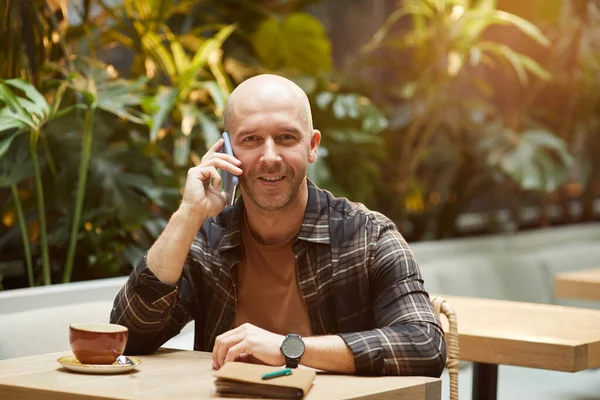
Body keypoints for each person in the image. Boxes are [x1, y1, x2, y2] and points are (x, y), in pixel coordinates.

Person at [110, 74, 446, 377]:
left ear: (311, 146)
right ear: (226, 149)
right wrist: (188, 213)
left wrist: (289, 349)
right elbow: (127, 337)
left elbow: (425, 344)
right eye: (251, 140)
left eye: (286, 137)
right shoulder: (206, 237)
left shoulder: (368, 236)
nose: (270, 156)